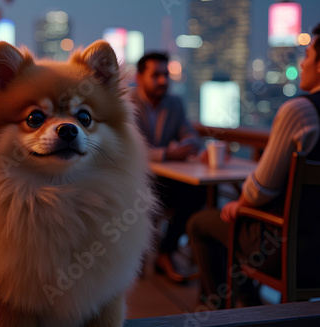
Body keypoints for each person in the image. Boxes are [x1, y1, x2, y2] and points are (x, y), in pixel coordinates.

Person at [187, 23, 320, 309]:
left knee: (202, 223)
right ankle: (248, 304)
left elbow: (260, 189)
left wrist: (242, 204)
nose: (302, 62)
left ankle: (219, 310)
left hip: (292, 250)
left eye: (307, 55)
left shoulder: (300, 111)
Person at [131, 51, 206, 282]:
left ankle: (166, 252)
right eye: (156, 75)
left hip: (165, 180)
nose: (163, 81)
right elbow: (130, 150)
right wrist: (167, 153)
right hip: (137, 183)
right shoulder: (126, 103)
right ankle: (145, 258)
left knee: (196, 194)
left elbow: (191, 135)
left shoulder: (174, 103)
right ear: (140, 77)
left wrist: (189, 145)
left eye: (166, 75)